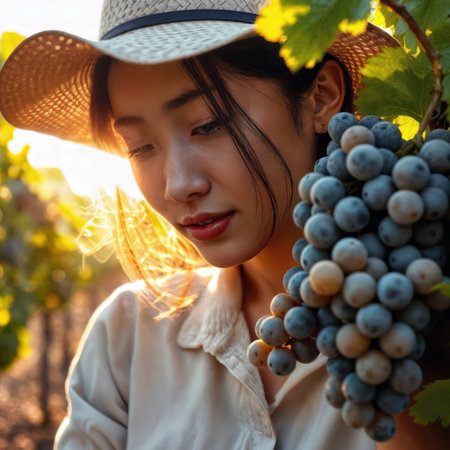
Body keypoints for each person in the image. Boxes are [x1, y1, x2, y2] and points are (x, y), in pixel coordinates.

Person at [0, 1, 404, 448]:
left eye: (209, 125)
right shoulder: (124, 338)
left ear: (322, 96)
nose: (178, 186)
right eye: (139, 147)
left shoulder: (414, 326)